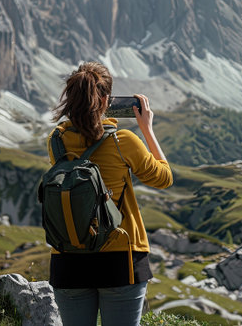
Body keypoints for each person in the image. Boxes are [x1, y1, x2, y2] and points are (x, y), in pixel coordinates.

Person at [47, 61, 173, 326]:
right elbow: (164, 177)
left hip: (68, 260)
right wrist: (147, 129)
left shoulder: (56, 140)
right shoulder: (122, 140)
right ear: (105, 100)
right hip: (120, 260)